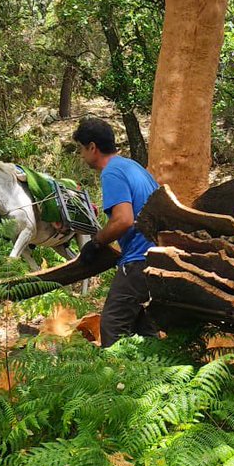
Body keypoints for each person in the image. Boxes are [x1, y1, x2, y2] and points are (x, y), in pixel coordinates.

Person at [71, 117, 161, 347]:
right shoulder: (133, 167)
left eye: (81, 149)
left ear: (92, 147)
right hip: (158, 258)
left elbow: (123, 220)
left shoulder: (111, 173)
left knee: (112, 325)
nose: (81, 156)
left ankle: (115, 380)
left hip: (138, 261)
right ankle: (159, 377)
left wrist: (96, 242)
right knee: (145, 328)